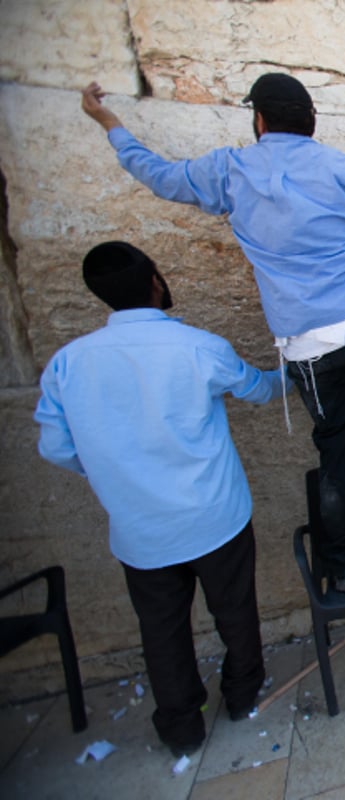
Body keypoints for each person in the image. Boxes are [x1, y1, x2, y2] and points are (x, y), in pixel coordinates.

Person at [80, 74, 345, 592]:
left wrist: (111, 124)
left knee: (337, 453)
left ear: (259, 120)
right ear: (311, 121)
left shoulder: (231, 171)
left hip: (311, 348)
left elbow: (160, 176)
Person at [34, 242, 287, 758]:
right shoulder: (197, 347)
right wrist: (299, 371)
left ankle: (182, 727)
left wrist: (114, 471)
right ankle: (241, 694)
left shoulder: (68, 365)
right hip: (214, 515)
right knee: (234, 610)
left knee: (162, 631)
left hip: (141, 528)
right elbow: (259, 390)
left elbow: (55, 447)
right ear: (155, 281)